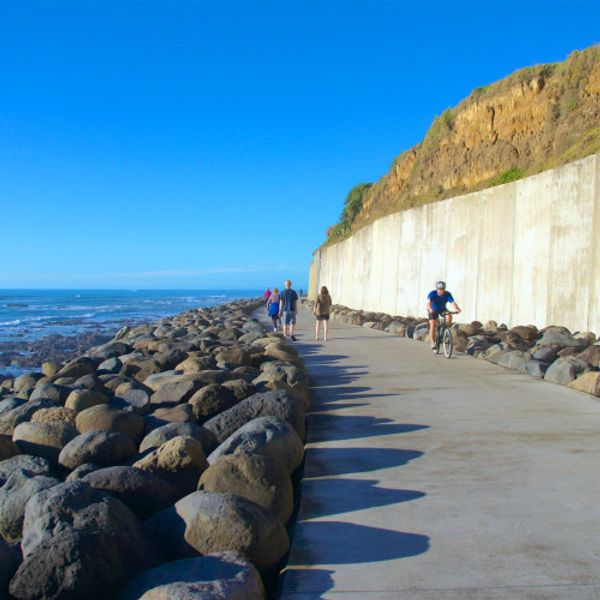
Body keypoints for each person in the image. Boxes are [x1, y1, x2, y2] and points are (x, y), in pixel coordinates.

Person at [427, 280, 461, 349]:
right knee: (433, 324)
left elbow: (452, 302)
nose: (441, 291)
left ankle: (445, 331)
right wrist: (430, 309)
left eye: (443, 289)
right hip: (433, 310)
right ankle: (433, 343)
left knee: (449, 316)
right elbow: (428, 303)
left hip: (442, 309)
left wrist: (457, 308)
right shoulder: (432, 294)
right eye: (439, 289)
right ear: (437, 289)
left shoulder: (447, 294)